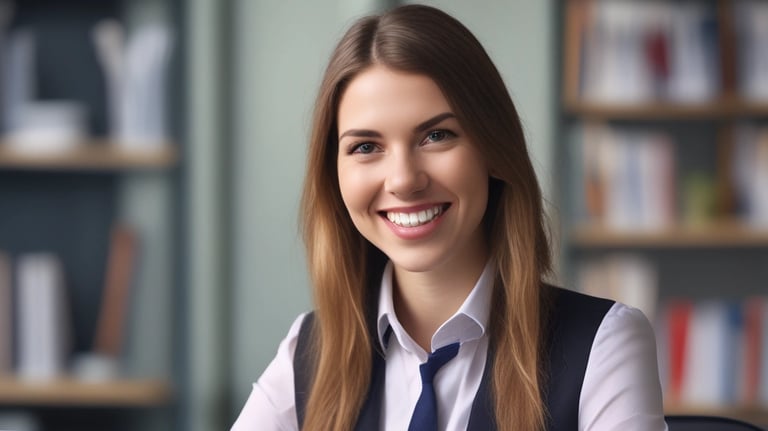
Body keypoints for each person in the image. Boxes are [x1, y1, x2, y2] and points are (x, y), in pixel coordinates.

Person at [232, 4, 667, 431]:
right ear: (336, 174)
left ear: (493, 150)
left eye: (436, 136)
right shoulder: (308, 352)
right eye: (366, 146)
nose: (403, 179)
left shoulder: (602, 344)